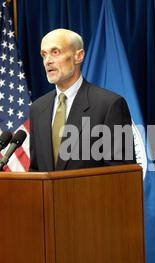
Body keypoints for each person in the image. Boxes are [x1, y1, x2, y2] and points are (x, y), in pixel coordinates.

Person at [29, 29, 135, 171]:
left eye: (55, 52)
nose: (48, 61)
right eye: (44, 54)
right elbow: (36, 170)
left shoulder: (110, 105)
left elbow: (121, 174)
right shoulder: (37, 108)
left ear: (78, 56)